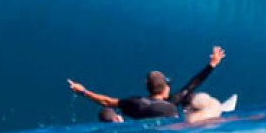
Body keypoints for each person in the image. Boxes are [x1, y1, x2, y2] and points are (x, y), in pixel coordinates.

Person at [67, 45, 226, 121]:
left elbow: (106, 101)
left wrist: (83, 91)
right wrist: (211, 65)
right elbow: (193, 84)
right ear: (166, 88)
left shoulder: (134, 103)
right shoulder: (171, 102)